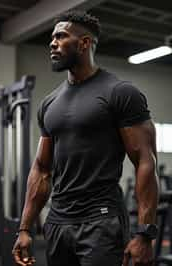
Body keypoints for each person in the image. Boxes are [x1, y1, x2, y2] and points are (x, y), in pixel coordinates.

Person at [12, 11, 159, 266]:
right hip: (57, 222)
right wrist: (24, 228)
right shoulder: (49, 103)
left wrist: (145, 233)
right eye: (52, 38)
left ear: (84, 43)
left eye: (61, 36)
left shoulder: (120, 93)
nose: (52, 43)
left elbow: (145, 162)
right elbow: (41, 169)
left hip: (100, 221)